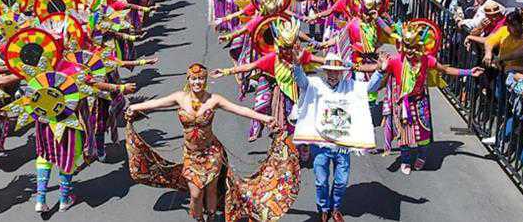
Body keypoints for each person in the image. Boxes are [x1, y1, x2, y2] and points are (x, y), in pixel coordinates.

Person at [126, 63, 299, 222]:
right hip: (191, 155)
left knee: (210, 190)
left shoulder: (213, 100)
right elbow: (156, 103)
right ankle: (199, 218)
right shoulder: (180, 97)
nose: (197, 82)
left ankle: (210, 217)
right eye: (194, 79)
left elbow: (240, 110)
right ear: (189, 79)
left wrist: (264, 117)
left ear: (205, 80)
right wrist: (135, 107)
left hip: (211, 153)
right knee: (195, 194)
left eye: (201, 78)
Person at [291, 53, 385, 222]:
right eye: (330, 71)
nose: (333, 75)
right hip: (320, 144)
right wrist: (297, 65)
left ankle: (336, 208)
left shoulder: (351, 86)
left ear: (341, 73)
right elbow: (301, 81)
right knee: (321, 181)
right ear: (325, 71)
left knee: (341, 181)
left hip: (342, 146)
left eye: (336, 72)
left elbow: (370, 88)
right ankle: (323, 209)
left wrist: (379, 71)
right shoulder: (315, 84)